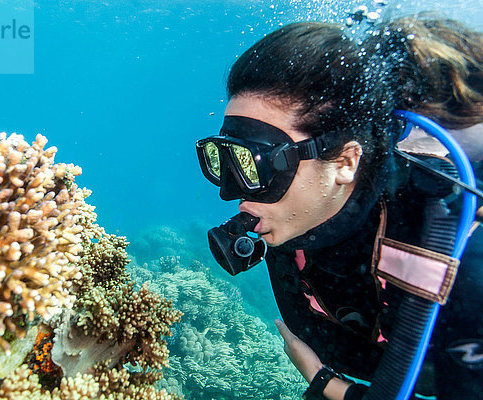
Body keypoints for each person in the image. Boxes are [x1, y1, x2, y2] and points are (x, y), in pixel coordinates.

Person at [195, 17, 483, 400]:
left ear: (346, 163)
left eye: (255, 165)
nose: (231, 194)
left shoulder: (460, 256)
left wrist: (328, 387)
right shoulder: (296, 219)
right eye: (224, 162)